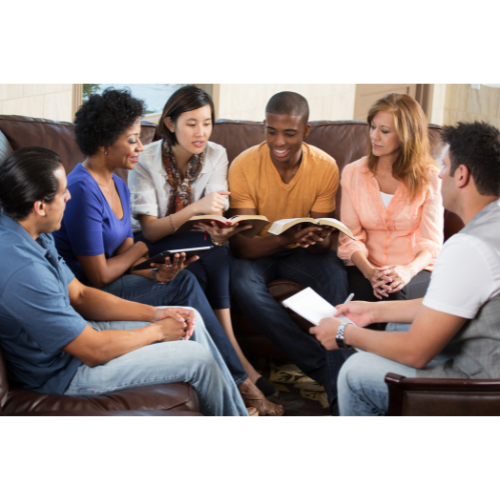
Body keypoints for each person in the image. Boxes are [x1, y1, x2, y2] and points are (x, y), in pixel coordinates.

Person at [53, 88, 283, 417]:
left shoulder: (117, 183)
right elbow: (98, 275)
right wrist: (147, 248)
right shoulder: (81, 188)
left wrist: (155, 273)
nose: (139, 147)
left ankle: (238, 382)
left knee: (185, 276)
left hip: (114, 280)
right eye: (131, 140)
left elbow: (128, 253)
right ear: (105, 144)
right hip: (90, 293)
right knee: (186, 285)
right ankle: (242, 382)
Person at [0, 147, 249, 418]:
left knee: (189, 317)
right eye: (62, 193)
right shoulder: (24, 271)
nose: (69, 196)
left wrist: (157, 313)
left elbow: (81, 295)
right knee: (198, 360)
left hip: (79, 334)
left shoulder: (33, 231)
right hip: (65, 372)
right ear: (40, 206)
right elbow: (93, 350)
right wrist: (157, 331)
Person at [310, 121, 500, 418]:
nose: (440, 173)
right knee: (397, 325)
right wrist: (374, 312)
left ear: (462, 176)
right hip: (490, 362)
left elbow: (416, 352)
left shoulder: (469, 247)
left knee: (354, 371)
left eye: (446, 166)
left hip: (481, 384)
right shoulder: (492, 225)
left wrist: (345, 334)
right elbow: (453, 303)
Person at [129, 86, 276, 397]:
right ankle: (242, 371)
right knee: (209, 253)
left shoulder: (216, 154)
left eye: (207, 123)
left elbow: (216, 214)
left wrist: (222, 230)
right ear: (170, 124)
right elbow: (151, 231)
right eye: (191, 123)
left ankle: (232, 365)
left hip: (199, 241)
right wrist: (195, 208)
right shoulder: (146, 160)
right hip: (150, 243)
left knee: (213, 252)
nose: (201, 132)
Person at [229, 91, 350, 409]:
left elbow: (324, 245)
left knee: (336, 279)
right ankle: (323, 369)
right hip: (260, 252)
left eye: (289, 133)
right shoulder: (244, 165)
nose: (278, 141)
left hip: (301, 253)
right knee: (241, 281)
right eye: (271, 131)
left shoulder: (325, 166)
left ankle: (339, 397)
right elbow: (242, 247)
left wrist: (318, 237)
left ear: (306, 131)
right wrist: (284, 238)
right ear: (264, 127)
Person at [338, 94, 443, 305]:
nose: (374, 136)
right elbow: (350, 237)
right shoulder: (353, 173)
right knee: (361, 299)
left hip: (414, 268)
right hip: (366, 265)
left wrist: (407, 271)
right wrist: (369, 271)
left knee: (394, 293)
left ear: (406, 136)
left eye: (384, 131)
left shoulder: (429, 176)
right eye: (372, 127)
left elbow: (430, 242)